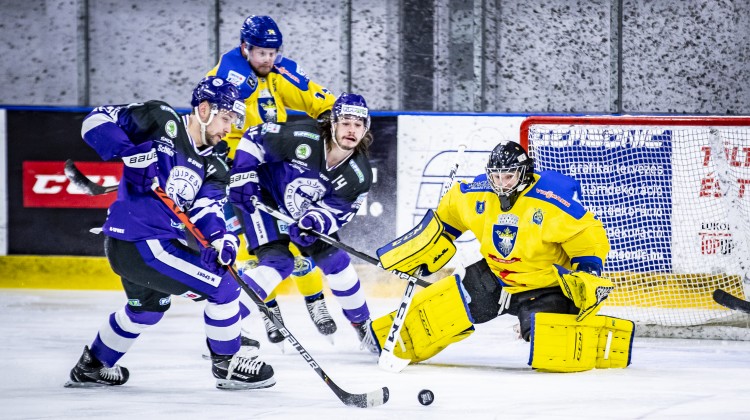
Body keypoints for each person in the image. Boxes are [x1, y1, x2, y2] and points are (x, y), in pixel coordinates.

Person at [64, 76, 276, 389]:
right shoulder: (160, 119)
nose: (229, 128)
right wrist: (129, 152)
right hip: (142, 242)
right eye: (226, 118)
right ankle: (227, 364)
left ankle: (92, 366)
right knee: (225, 286)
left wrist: (222, 239)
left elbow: (206, 210)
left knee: (147, 311)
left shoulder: (214, 165)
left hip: (146, 247)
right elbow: (95, 119)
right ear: (204, 110)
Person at [370, 141, 635, 372]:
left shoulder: (550, 200)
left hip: (544, 286)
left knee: (553, 348)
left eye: (508, 176)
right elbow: (449, 214)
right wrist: (430, 243)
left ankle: (564, 330)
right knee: (443, 307)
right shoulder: (478, 193)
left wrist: (588, 270)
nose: (501, 184)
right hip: (495, 277)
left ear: (524, 172)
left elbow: (586, 234)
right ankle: (382, 339)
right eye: (496, 177)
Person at [206, 14, 338, 344]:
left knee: (298, 236)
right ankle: (269, 311)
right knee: (254, 249)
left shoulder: (279, 72)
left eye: (272, 52)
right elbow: (207, 122)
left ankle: (316, 302)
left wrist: (330, 120)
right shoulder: (223, 76)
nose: (267, 59)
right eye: (261, 53)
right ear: (244, 48)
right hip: (236, 170)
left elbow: (317, 99)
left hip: (276, 168)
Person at [228, 92, 379, 353]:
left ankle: (362, 324)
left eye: (358, 124)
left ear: (365, 129)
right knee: (278, 263)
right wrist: (243, 174)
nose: (351, 130)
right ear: (333, 123)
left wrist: (315, 221)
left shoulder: (359, 174)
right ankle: (225, 326)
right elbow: (254, 136)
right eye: (345, 122)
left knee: (337, 262)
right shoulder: (303, 136)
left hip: (304, 213)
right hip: (263, 198)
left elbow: (337, 212)